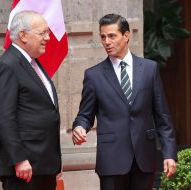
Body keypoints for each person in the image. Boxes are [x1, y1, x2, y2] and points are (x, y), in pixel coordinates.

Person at [72, 13, 177, 190]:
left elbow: (162, 117)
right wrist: (79, 127)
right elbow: (85, 115)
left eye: (112, 36)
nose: (106, 41)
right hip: (111, 160)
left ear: (126, 35)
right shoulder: (94, 75)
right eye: (103, 37)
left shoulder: (149, 69)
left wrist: (169, 154)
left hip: (144, 158)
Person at [0, 11, 61, 190]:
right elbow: (5, 118)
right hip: (24, 167)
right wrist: (19, 159)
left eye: (48, 32)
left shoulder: (32, 63)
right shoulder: (7, 65)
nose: (48, 38)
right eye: (42, 33)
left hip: (43, 164)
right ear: (23, 35)